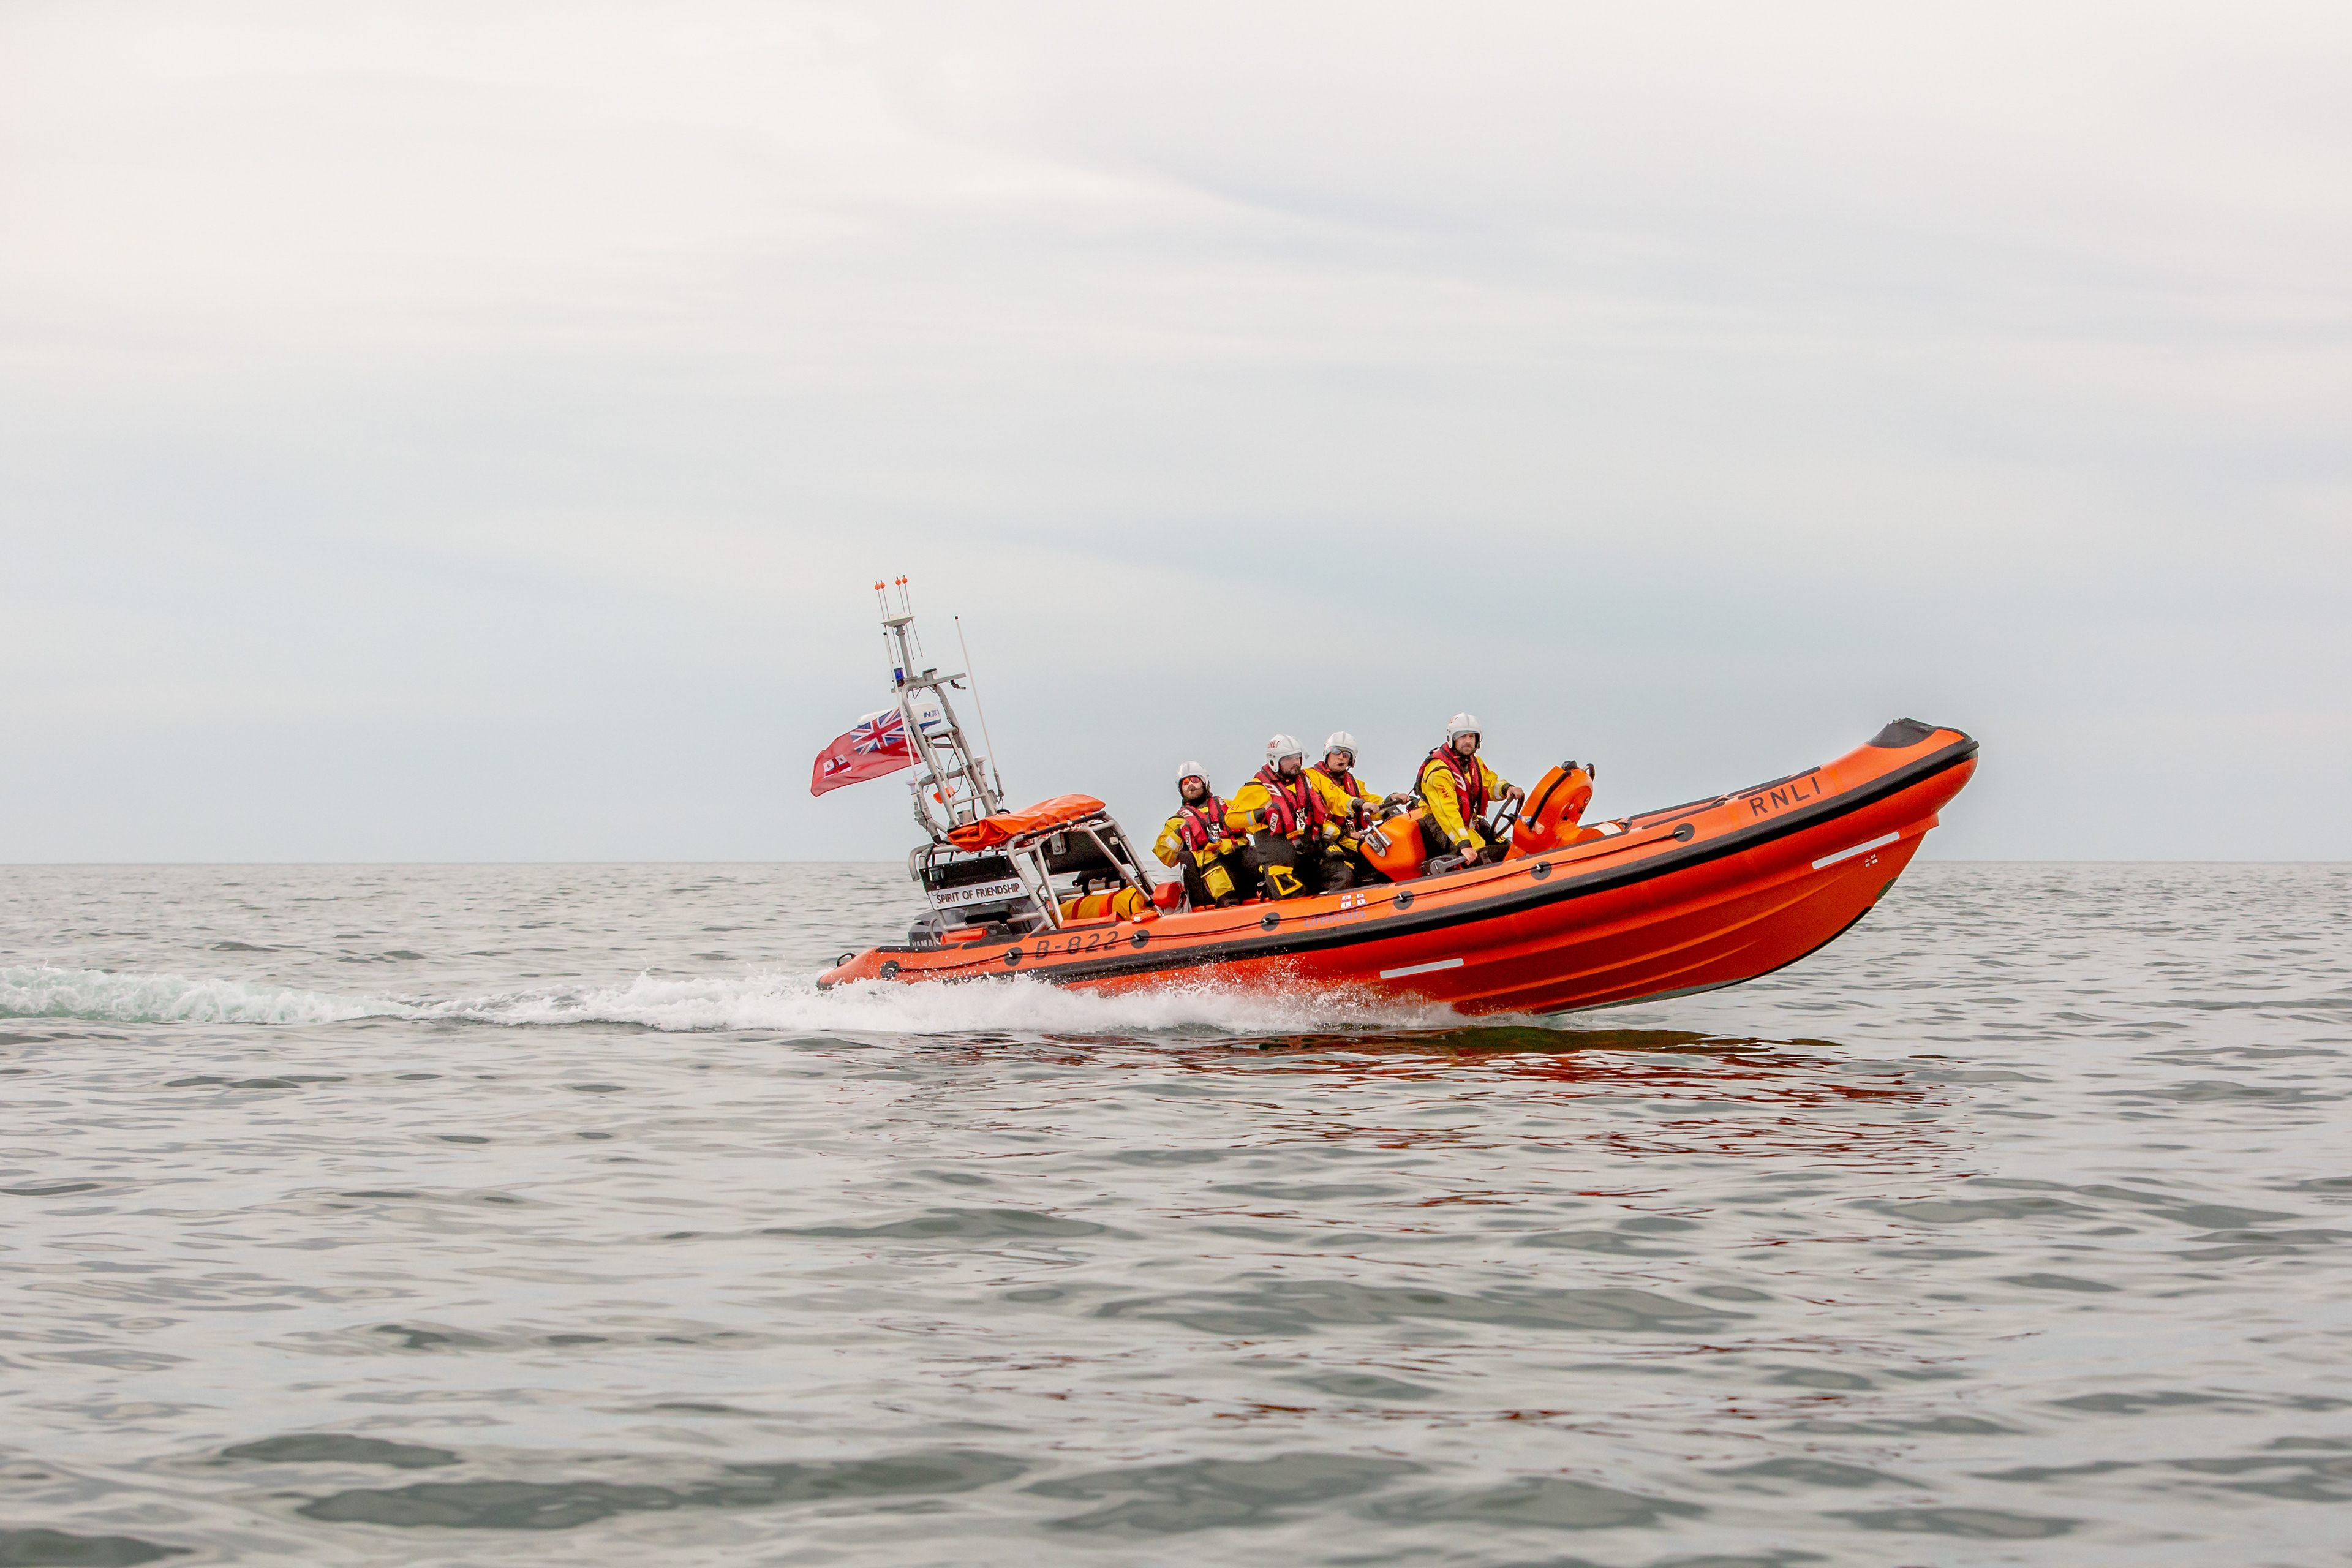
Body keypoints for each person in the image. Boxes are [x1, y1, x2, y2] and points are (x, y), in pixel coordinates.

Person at [1224, 734, 1336, 899]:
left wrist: (1360, 805)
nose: (1295, 762)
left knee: (1341, 873)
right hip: (1279, 856)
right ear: (1274, 761)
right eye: (1288, 759)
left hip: (1310, 852)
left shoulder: (1308, 780)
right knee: (1292, 894)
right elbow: (1231, 819)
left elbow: (1338, 799)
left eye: (1298, 757)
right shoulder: (1256, 788)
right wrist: (1262, 813)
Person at [1415, 712, 1525, 869]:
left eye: (1471, 737)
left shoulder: (1474, 763)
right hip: (1442, 826)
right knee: (1485, 857)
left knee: (1508, 848)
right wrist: (1464, 844)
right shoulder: (1438, 771)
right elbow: (1446, 812)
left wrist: (1507, 789)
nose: (1467, 741)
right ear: (1452, 739)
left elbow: (1488, 784)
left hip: (1468, 822)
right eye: (1462, 736)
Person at [1152, 763, 1254, 907]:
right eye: (1185, 782)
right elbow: (1165, 855)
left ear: (1205, 783)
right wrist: (1179, 833)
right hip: (1211, 875)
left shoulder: (1227, 806)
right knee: (1215, 870)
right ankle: (1229, 906)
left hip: (1241, 859)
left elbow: (1256, 826)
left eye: (1195, 780)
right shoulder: (1177, 821)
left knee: (1259, 856)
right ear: (1180, 789)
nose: (1190, 785)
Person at [1306, 731, 1394, 887]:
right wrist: (1344, 834)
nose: (1340, 757)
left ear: (1351, 761)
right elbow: (1323, 810)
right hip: (1323, 843)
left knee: (1385, 862)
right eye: (1336, 751)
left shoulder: (1353, 784)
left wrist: (1390, 803)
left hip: (1350, 842)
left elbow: (1369, 802)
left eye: (1346, 754)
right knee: (1344, 876)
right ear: (1327, 754)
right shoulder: (1310, 778)